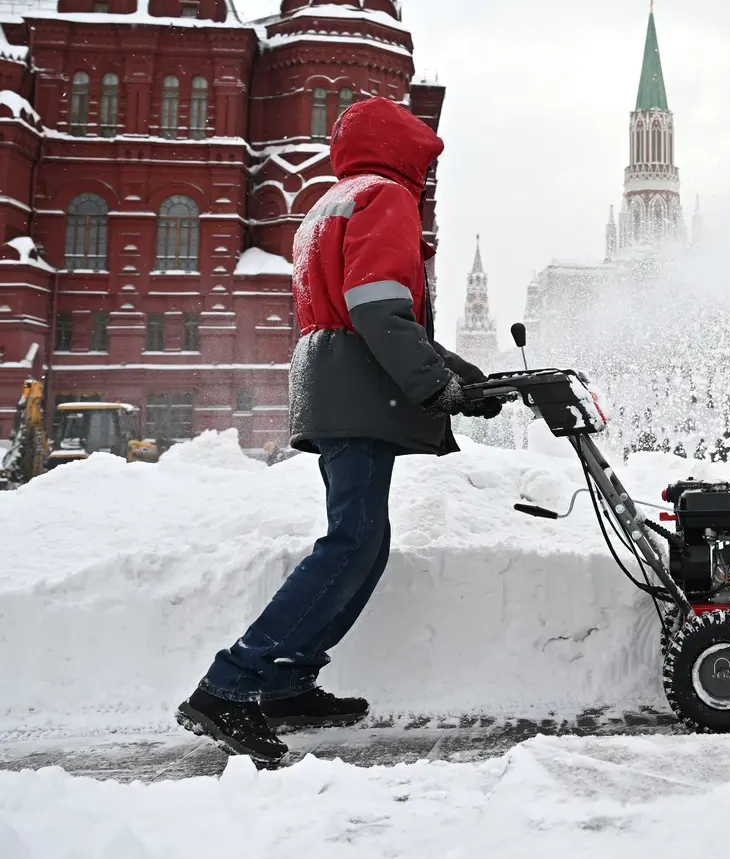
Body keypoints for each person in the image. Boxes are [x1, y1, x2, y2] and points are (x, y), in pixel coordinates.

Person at [176, 96, 503, 768]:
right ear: (401, 150)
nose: (426, 175)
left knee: (366, 541)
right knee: (352, 539)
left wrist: (465, 374)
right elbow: (378, 309)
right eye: (424, 161)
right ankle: (230, 684)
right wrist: (436, 387)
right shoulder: (385, 197)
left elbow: (373, 313)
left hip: (328, 377)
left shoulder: (332, 200)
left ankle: (287, 679)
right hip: (356, 385)